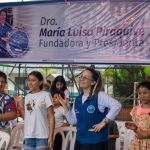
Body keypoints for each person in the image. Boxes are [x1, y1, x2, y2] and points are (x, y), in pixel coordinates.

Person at [59, 67, 121, 150]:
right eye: (81, 77)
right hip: (80, 141)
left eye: (85, 77)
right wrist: (65, 106)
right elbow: (73, 121)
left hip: (96, 144)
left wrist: (104, 122)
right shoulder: (77, 99)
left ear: (93, 82)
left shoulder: (99, 95)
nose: (81, 79)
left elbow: (117, 105)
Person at [14, 71, 55, 150]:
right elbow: (26, 117)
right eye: (29, 80)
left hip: (42, 136)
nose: (30, 83)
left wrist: (51, 137)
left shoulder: (46, 95)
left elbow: (51, 117)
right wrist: (20, 104)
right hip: (28, 136)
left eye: (33, 80)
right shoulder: (27, 97)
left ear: (40, 82)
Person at [125, 80, 150, 150]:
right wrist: (133, 126)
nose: (142, 96)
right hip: (137, 143)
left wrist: (144, 135)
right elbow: (137, 124)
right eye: (140, 93)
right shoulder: (135, 109)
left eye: (145, 93)